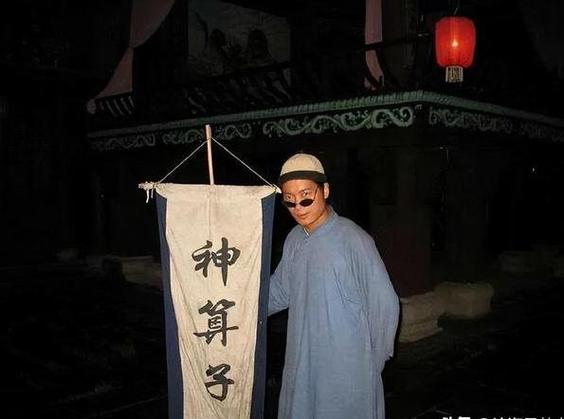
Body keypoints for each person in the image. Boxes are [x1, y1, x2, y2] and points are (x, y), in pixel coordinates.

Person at [268, 153, 400, 419]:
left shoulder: (354, 239)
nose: (298, 207)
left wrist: (373, 360)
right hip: (303, 356)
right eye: (289, 200)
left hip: (346, 364)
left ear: (325, 190)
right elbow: (279, 291)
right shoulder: (294, 239)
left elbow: (385, 303)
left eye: (306, 197)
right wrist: (240, 306)